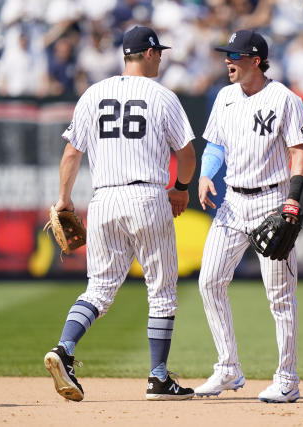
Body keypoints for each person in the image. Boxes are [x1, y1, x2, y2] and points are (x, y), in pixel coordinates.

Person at [43, 25, 196, 402]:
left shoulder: (92, 94)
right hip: (147, 196)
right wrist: (181, 188)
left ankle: (64, 348)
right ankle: (158, 377)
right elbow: (187, 154)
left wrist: (63, 198)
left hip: (104, 199)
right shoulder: (162, 96)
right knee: (161, 292)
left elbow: (71, 154)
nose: (160, 56)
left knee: (99, 289)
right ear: (146, 53)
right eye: (157, 51)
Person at [194, 29, 303, 403]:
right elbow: (215, 143)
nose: (228, 60)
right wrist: (206, 173)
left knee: (279, 297)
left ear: (255, 61)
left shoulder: (285, 99)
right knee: (210, 281)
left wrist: (291, 201)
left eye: (235, 56)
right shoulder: (225, 97)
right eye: (227, 54)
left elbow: (300, 152)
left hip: (270, 201)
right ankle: (228, 368)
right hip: (231, 203)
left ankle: (287, 378)